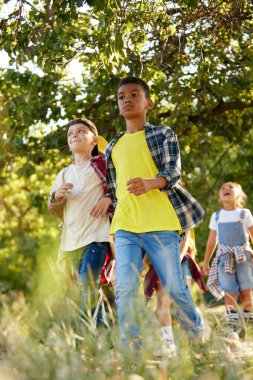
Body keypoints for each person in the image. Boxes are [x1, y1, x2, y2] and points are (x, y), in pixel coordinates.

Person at [105, 76, 209, 349]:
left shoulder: (163, 134)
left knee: (175, 287)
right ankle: (132, 353)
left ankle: (198, 341)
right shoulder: (112, 146)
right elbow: (115, 191)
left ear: (148, 102)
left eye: (134, 94)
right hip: (126, 226)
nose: (127, 99)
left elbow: (173, 172)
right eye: (121, 97)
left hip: (161, 224)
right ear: (118, 106)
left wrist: (151, 183)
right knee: (126, 288)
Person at [49, 118, 112, 330]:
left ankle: (85, 338)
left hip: (97, 237)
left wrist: (108, 199)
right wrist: (56, 196)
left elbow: (118, 190)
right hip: (71, 241)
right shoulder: (64, 173)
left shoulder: (103, 166)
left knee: (88, 285)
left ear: (94, 140)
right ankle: (103, 338)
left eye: (81, 131)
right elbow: (54, 208)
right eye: (70, 134)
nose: (74, 135)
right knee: (86, 288)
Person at [143, 229, 207, 353]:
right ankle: (168, 344)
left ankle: (197, 335)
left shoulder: (179, 212)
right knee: (162, 302)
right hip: (160, 259)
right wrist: (145, 259)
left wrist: (177, 259)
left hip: (181, 260)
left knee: (182, 302)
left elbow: (186, 235)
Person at [203, 182, 253, 331]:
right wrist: (206, 262)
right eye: (223, 188)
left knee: (246, 290)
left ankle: (249, 324)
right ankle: (232, 327)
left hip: (243, 257)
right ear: (220, 196)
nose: (226, 189)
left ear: (238, 194)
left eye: (231, 187)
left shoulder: (244, 214)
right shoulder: (217, 216)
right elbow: (212, 241)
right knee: (229, 292)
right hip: (224, 258)